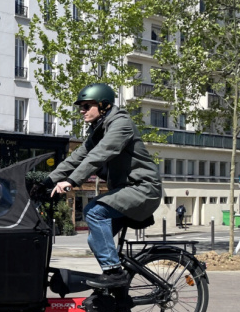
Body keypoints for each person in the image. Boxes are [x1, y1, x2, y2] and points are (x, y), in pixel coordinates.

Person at [44, 83, 162, 288]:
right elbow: (77, 158)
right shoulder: (99, 130)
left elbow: (99, 156)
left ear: (104, 106)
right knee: (94, 240)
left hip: (143, 189)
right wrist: (48, 180)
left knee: (94, 212)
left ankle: (114, 273)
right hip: (126, 191)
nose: (82, 111)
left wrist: (71, 181)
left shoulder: (121, 124)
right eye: (80, 107)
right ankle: (113, 283)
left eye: (87, 106)